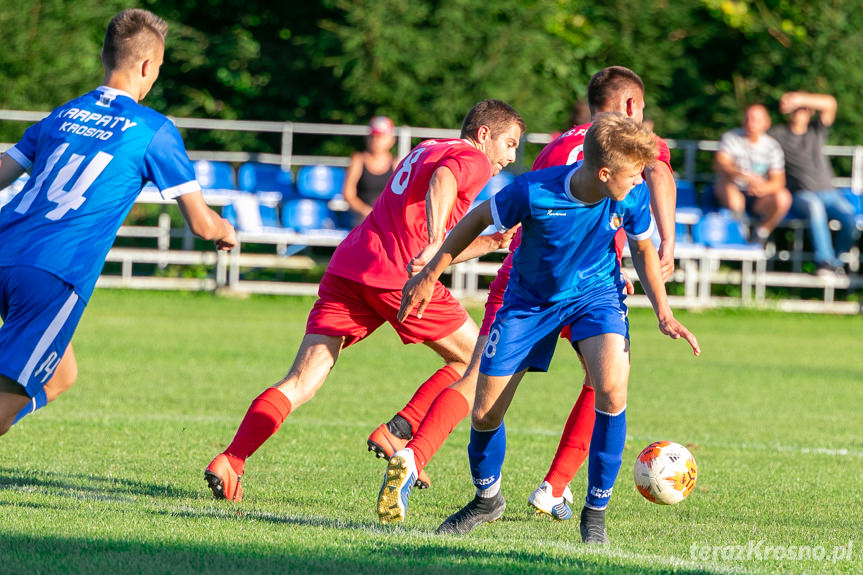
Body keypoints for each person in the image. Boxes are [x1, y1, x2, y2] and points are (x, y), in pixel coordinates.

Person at [376, 65, 678, 526]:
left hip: (595, 293)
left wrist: (664, 311)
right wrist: (434, 265)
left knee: (611, 386)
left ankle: (592, 512)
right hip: (530, 295)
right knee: (484, 409)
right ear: (602, 170)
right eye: (633, 175)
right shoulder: (536, 191)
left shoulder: (613, 174)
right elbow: (480, 219)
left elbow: (641, 236)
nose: (640, 180)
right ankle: (487, 498)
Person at [204, 99, 525, 501]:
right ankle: (403, 435)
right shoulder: (470, 159)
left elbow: (426, 231)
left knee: (302, 380)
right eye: (509, 144)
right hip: (397, 275)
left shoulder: (427, 145)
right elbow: (443, 187)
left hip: (350, 266)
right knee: (475, 361)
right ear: (483, 135)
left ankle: (232, 459)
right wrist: (431, 244)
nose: (511, 157)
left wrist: (489, 243)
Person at [0, 8, 237, 436]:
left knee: (60, 375)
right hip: (53, 273)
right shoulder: (153, 129)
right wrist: (226, 230)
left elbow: (2, 170)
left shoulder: (64, 113)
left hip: (5, 247)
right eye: (159, 70)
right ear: (148, 66)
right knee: (3, 402)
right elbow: (202, 226)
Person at [769, 91, 859, 276]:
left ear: (809, 112)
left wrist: (800, 98)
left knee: (850, 219)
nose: (798, 113)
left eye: (803, 110)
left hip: (831, 193)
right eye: (795, 110)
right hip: (802, 195)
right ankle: (824, 262)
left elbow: (830, 103)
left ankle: (834, 263)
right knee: (815, 207)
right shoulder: (779, 134)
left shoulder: (816, 131)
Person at [713, 104, 792, 244]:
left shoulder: (772, 146)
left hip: (759, 196)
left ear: (766, 123)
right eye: (748, 118)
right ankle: (739, 230)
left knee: (784, 198)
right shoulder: (731, 138)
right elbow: (721, 164)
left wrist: (762, 188)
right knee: (726, 184)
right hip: (734, 189)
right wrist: (740, 175)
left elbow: (778, 181)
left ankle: (762, 232)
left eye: (756, 120)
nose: (750, 123)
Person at [341, 116, 398, 227]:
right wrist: (366, 211)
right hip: (361, 216)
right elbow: (348, 194)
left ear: (391, 140)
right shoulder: (358, 160)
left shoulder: (396, 164)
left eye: (381, 137)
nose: (376, 140)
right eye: (374, 136)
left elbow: (399, 197)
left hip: (386, 217)